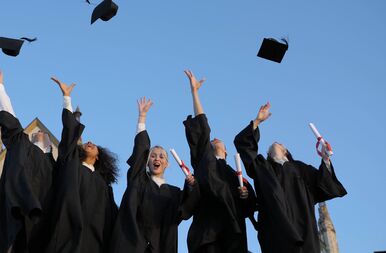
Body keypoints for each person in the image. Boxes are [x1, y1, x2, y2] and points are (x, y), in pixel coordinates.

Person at [234, 102, 347, 253]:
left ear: (285, 151)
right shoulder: (262, 167)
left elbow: (323, 185)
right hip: (275, 233)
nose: (276, 142)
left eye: (279, 143)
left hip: (304, 232)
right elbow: (244, 145)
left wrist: (326, 159)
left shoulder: (301, 169)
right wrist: (257, 121)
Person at [109, 97, 200, 253]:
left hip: (160, 245)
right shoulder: (138, 180)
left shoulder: (174, 193)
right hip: (132, 243)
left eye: (161, 156)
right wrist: (142, 118)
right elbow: (140, 150)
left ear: (167, 164)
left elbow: (185, 211)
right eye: (153, 155)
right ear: (146, 162)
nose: (157, 158)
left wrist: (191, 186)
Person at [182, 70, 257, 253]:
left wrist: (245, 196)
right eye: (211, 139)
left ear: (226, 150)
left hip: (233, 235)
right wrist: (195, 93)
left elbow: (249, 207)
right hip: (207, 234)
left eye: (218, 139)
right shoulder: (204, 160)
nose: (214, 138)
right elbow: (203, 127)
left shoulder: (236, 175)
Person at [47, 77, 118, 253]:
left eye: (95, 145)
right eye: (87, 142)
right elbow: (70, 133)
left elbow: (113, 220)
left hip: (94, 242)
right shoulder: (71, 165)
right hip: (66, 237)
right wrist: (67, 99)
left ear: (99, 156)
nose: (90, 142)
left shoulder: (104, 186)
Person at [0, 67, 55, 253]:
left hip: (42, 222)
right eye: (37, 132)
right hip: (17, 213)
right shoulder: (21, 144)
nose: (39, 132)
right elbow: (9, 116)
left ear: (50, 145)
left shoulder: (55, 166)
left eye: (44, 133)